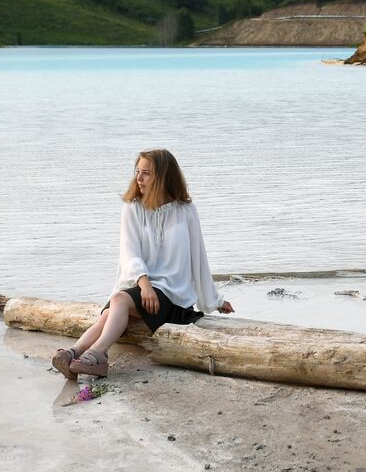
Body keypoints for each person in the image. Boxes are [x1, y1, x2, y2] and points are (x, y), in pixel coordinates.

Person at [52, 148, 234, 401]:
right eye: (138, 172)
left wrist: (214, 299)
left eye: (146, 173)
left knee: (117, 303)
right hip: (140, 286)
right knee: (113, 308)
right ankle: (78, 355)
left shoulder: (186, 211)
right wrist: (144, 283)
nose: (139, 178)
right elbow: (130, 253)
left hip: (172, 295)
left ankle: (91, 354)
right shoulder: (132, 209)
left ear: (163, 176)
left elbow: (199, 259)